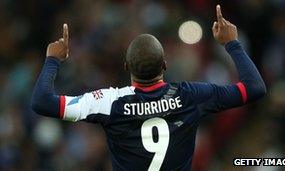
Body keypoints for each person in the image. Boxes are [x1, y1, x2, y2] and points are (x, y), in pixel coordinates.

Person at [31, 5, 266, 171]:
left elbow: (41, 101)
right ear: (165, 65)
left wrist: (53, 60)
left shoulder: (109, 102)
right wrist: (232, 44)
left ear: (126, 66)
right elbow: (254, 87)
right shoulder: (191, 95)